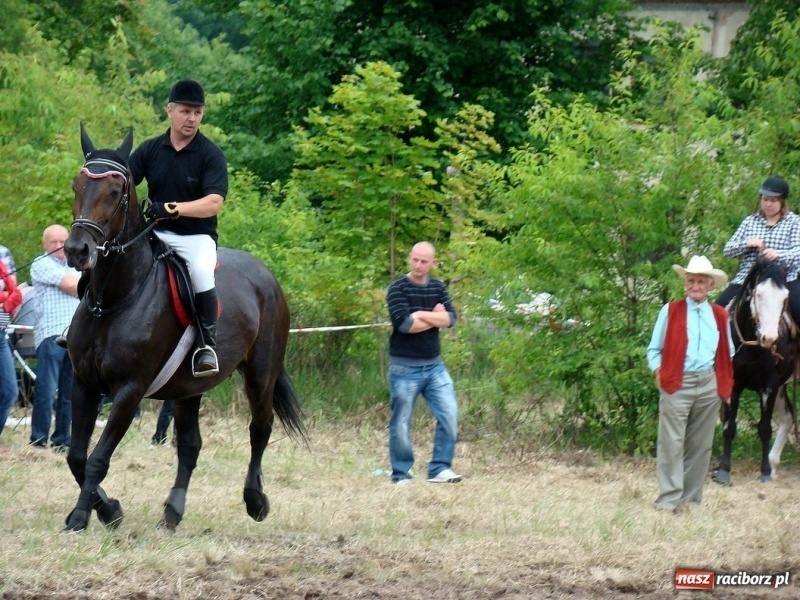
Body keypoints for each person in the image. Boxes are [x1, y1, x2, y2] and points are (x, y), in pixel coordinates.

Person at [128, 78, 228, 377]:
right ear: (170, 111)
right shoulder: (149, 150)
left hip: (196, 237)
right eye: (186, 111)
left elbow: (213, 203)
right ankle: (84, 323)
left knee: (200, 272)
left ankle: (206, 346)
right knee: (112, 255)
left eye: (198, 113)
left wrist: (172, 208)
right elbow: (122, 185)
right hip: (155, 235)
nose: (192, 118)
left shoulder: (210, 154)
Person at [646, 255, 735, 512]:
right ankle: (668, 500)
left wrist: (721, 383)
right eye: (690, 280)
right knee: (671, 443)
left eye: (700, 281)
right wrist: (659, 373)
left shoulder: (719, 314)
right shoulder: (670, 310)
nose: (695, 285)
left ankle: (691, 500)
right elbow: (654, 350)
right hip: (677, 381)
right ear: (685, 283)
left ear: (710, 285)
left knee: (701, 445)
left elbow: (727, 351)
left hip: (709, 383)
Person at [386, 241, 461, 485]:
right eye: (415, 259)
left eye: (424, 261)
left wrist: (419, 314)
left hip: (434, 365)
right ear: (410, 258)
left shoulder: (438, 287)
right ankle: (401, 473)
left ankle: (439, 468)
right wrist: (433, 317)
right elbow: (405, 325)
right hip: (404, 367)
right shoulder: (397, 288)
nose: (418, 265)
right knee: (401, 422)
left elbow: (450, 319)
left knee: (449, 413)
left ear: (433, 263)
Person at [715, 175, 800, 324]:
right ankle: (718, 346)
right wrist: (746, 243)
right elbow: (727, 250)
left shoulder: (794, 222)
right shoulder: (750, 221)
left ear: (782, 202)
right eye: (765, 199)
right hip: (748, 277)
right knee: (717, 310)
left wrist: (778, 254)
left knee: (798, 309)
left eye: (773, 201)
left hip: (783, 279)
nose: (768, 204)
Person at [29, 225, 80, 450]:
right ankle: (39, 440)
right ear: (44, 244)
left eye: (62, 242)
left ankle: (62, 441)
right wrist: (89, 285)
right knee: (46, 391)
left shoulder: (78, 263)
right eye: (53, 242)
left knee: (70, 394)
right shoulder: (41, 264)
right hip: (51, 334)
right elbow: (72, 285)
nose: (59, 246)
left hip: (77, 337)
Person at [0, 251, 23, 441]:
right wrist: (5, 296)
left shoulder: (1, 263)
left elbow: (16, 293)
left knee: (9, 392)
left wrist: (4, 302)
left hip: (1, 334)